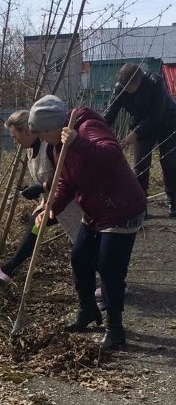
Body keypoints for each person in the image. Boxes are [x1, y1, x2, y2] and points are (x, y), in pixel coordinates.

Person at [28, 95, 147, 351]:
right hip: (95, 210)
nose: (41, 138)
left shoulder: (86, 127)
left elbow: (112, 154)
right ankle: (88, 310)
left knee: (109, 267)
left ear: (52, 127)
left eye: (42, 132)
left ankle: (115, 329)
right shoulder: (58, 147)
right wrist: (51, 208)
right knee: (80, 256)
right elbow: (65, 181)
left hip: (120, 208)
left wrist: (79, 143)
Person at [0, 109, 82, 283]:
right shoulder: (30, 149)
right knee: (39, 226)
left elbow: (67, 176)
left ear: (27, 131)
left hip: (70, 203)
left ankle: (108, 284)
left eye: (15, 136)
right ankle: (8, 268)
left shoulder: (49, 147)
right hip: (52, 203)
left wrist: (40, 187)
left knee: (81, 244)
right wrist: (33, 189)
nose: (15, 141)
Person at [103, 63, 176, 217]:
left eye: (128, 88)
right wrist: (99, 129)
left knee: (169, 161)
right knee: (140, 165)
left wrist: (135, 133)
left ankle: (173, 201)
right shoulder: (120, 89)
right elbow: (110, 113)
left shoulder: (156, 83)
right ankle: (140, 205)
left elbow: (156, 116)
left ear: (138, 82)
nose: (125, 91)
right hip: (140, 125)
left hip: (166, 124)